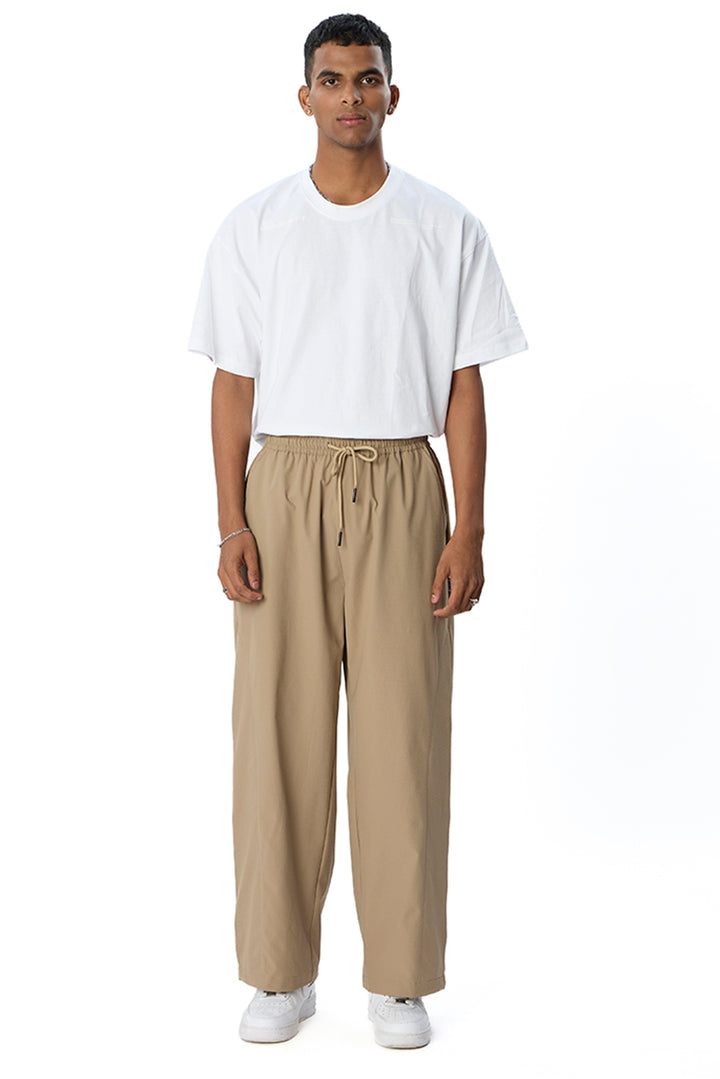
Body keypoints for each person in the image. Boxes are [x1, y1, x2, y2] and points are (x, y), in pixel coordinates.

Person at [186, 12, 529, 1051]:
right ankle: (280, 970)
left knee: (402, 737)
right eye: (331, 80)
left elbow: (464, 387)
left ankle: (400, 978)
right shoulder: (255, 226)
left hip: (402, 480)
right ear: (304, 97)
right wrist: (230, 522)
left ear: (393, 94)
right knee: (277, 736)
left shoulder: (445, 225)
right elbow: (232, 384)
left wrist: (469, 529)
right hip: (285, 482)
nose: (350, 96)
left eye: (367, 78)